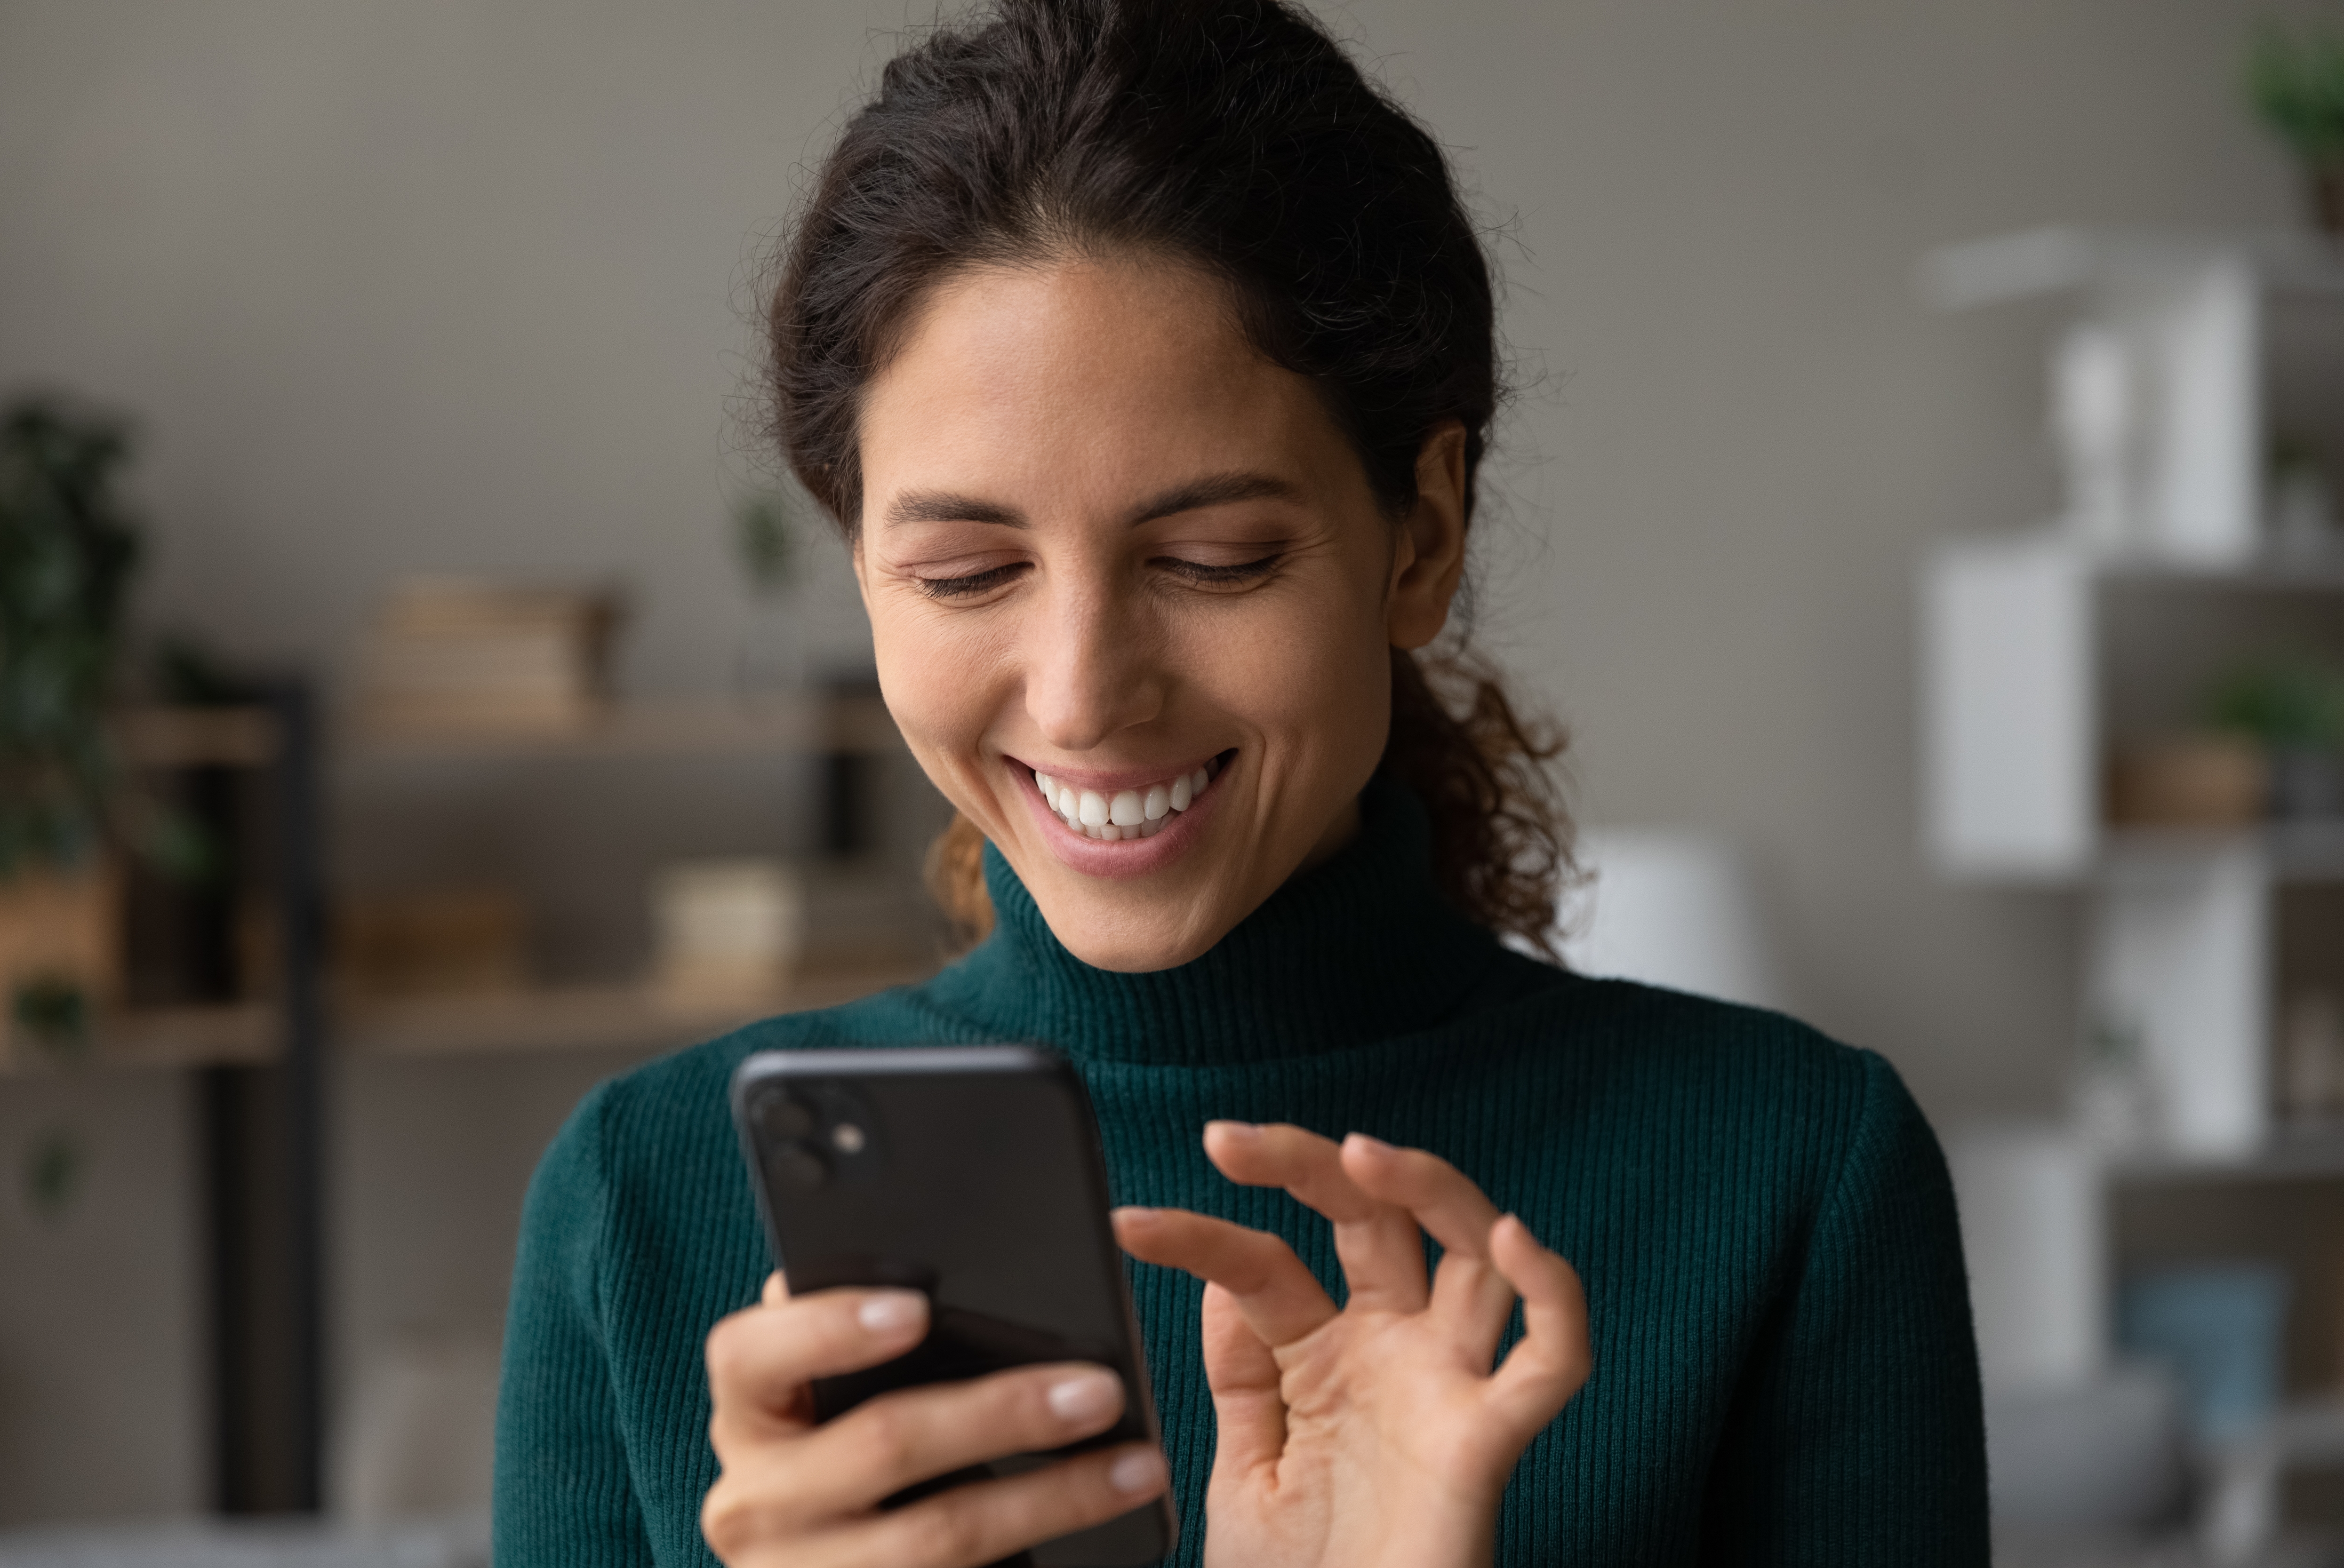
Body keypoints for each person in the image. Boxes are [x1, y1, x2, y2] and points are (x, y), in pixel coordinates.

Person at [492, 0, 1990, 1562]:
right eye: (965, 570)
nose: (1082, 694)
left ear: (1421, 535)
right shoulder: (646, 1204)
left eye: (1214, 559)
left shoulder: (1787, 1179)